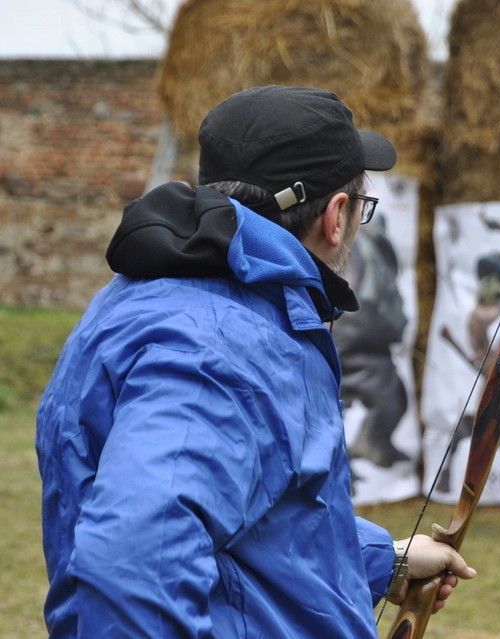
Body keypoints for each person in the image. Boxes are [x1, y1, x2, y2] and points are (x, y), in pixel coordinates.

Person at [36, 85, 475, 638]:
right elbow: (134, 559)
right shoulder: (217, 350)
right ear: (337, 216)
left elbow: (250, 530)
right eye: (361, 206)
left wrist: (384, 559)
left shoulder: (156, 300)